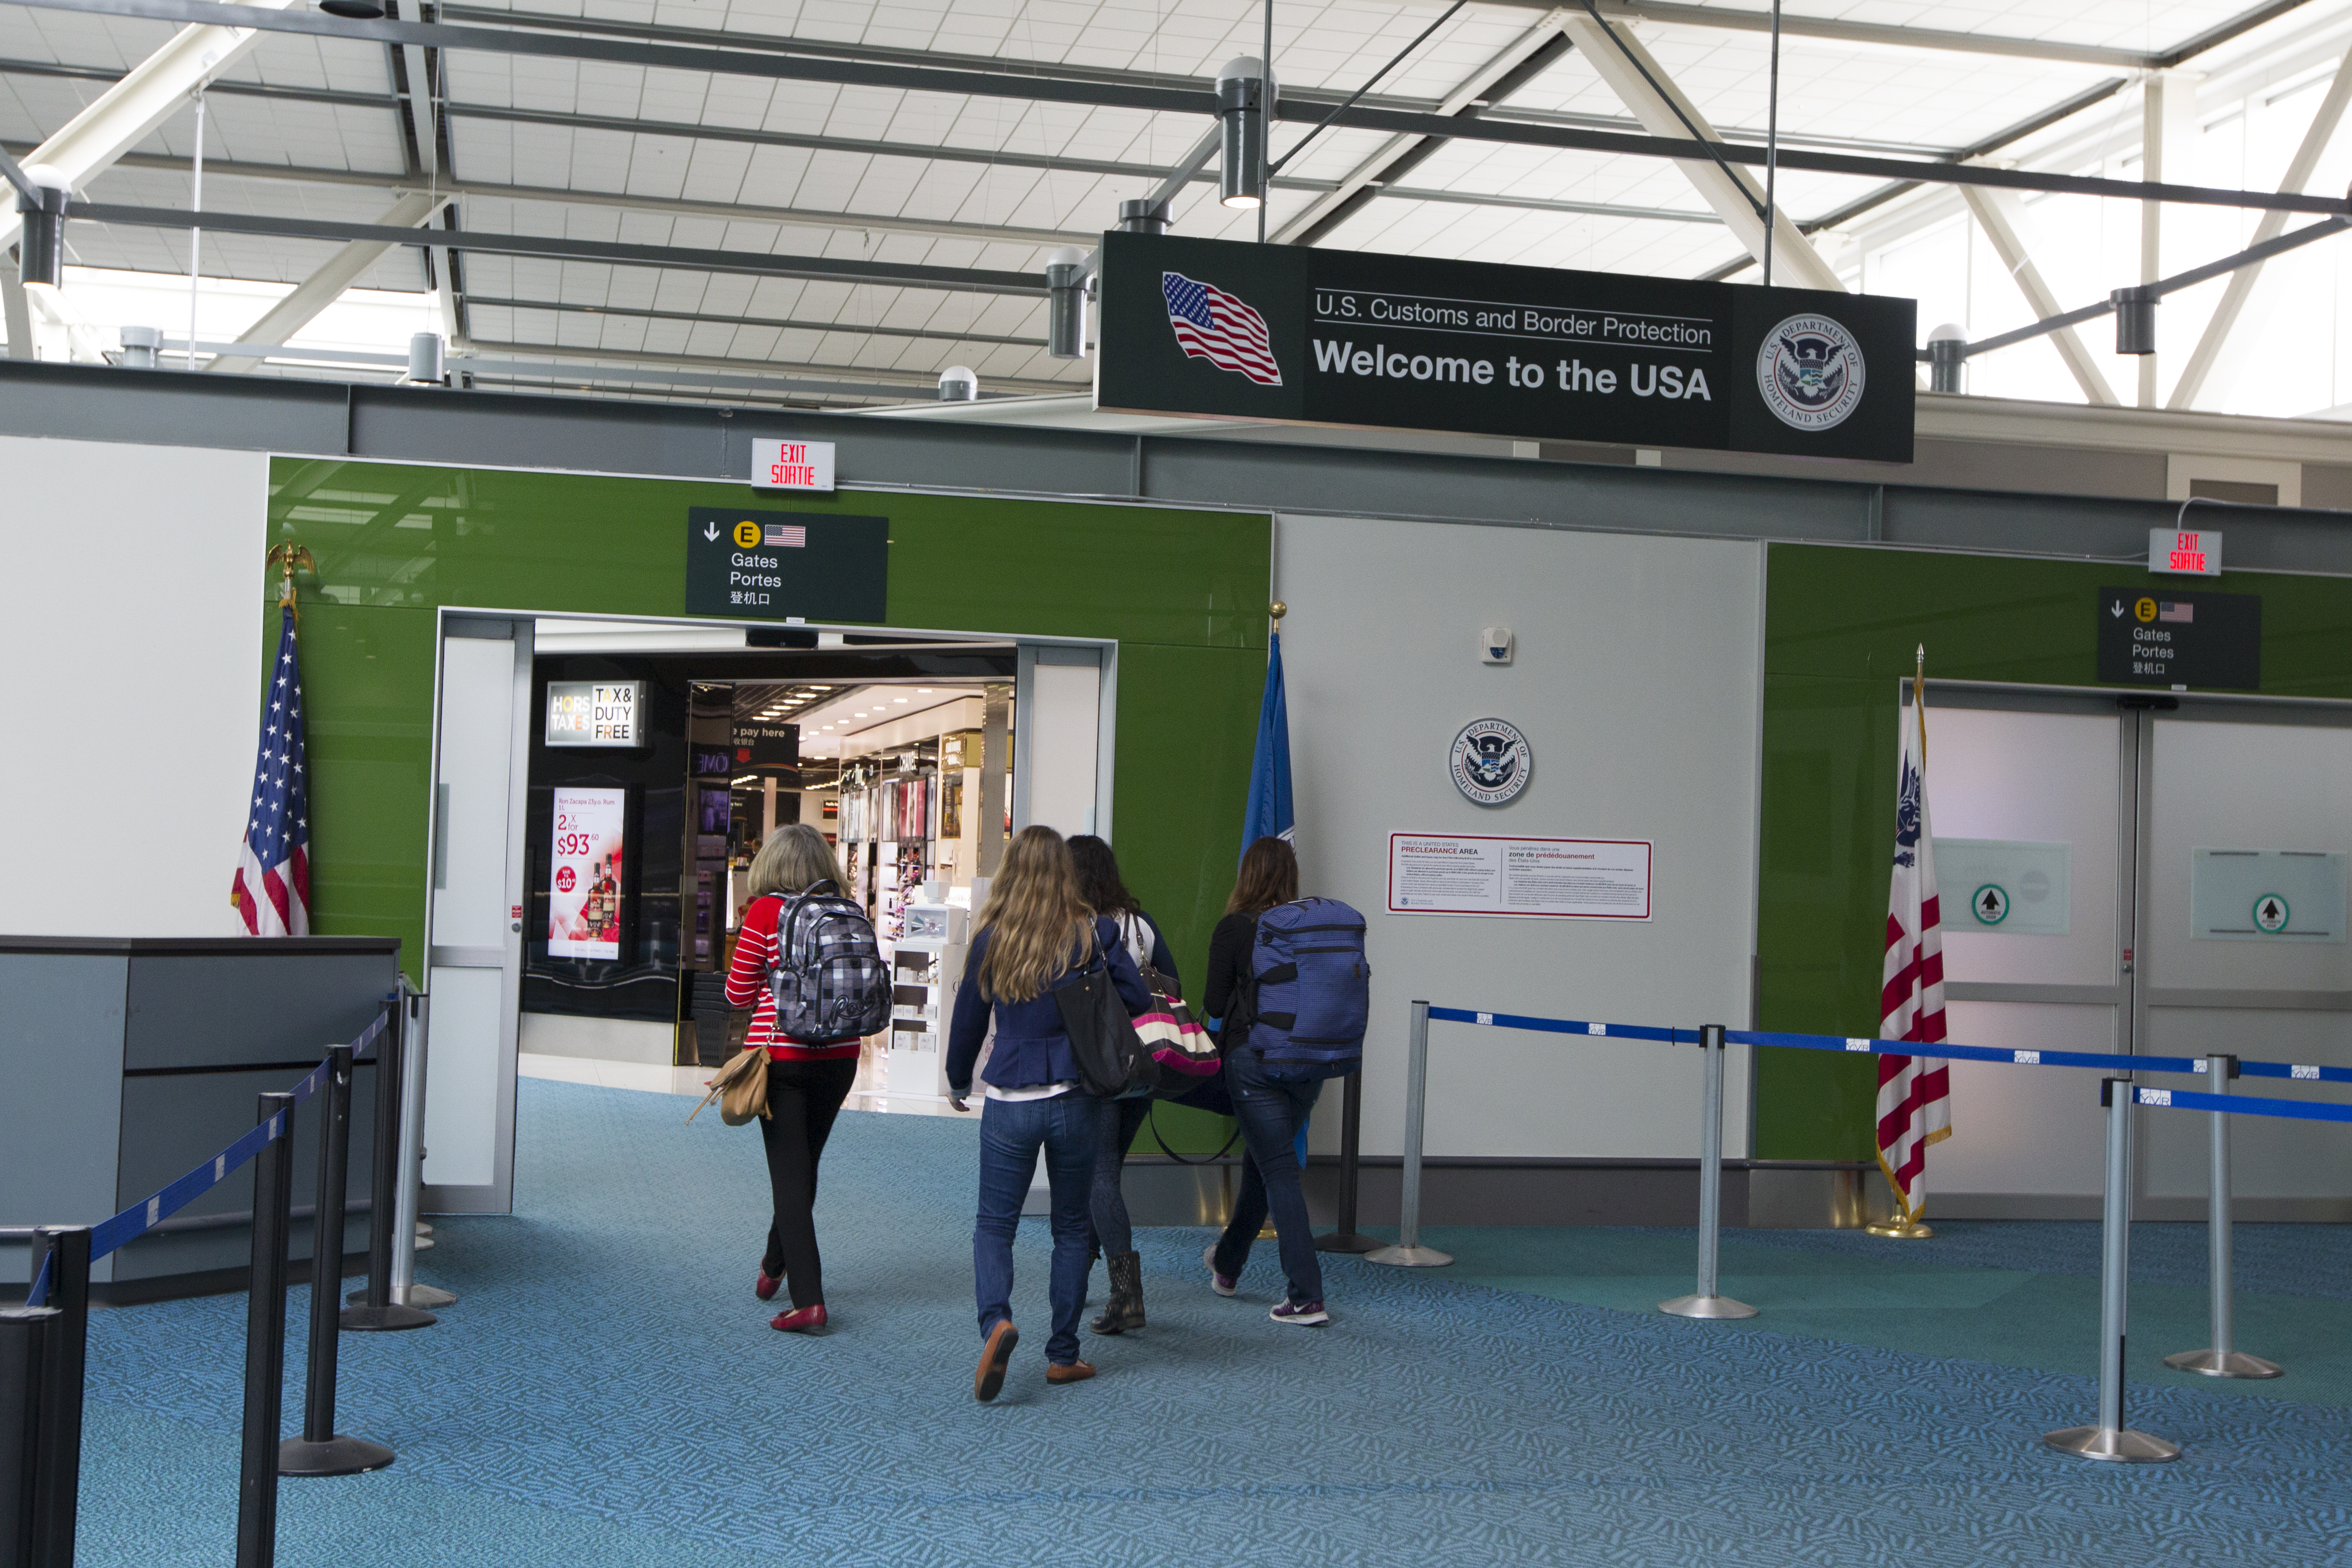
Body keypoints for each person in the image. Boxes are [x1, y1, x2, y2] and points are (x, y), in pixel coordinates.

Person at [946, 826, 1151, 1401]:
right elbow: (1136, 999)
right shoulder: (1093, 933)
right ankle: (1063, 1355)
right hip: (1074, 1100)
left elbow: (968, 1021)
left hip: (1010, 1101)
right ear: (1065, 873)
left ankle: (997, 1325)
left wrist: (959, 1080)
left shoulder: (993, 938)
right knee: (1068, 1228)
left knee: (994, 1226)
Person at [723, 823, 865, 1335]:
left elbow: (738, 996)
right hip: (843, 1056)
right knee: (803, 1166)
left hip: (783, 1060)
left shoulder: (765, 912)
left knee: (789, 1174)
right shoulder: (846, 911)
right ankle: (774, 1264)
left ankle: (808, 1301)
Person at [1201, 835, 1330, 1326]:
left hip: (1254, 1061)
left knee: (1275, 1170)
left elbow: (1214, 1005)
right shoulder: (1311, 929)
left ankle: (1306, 1296)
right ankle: (1228, 1266)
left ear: (1246, 876)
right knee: (1264, 1161)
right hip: (1311, 1062)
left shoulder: (1235, 928)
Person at [1065, 833, 1180, 1337]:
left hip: (1098, 1068)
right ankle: (1086, 1268)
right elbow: (1174, 985)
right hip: (1145, 1067)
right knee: (1107, 1169)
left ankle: (1126, 1296)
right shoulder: (1140, 924)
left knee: (1100, 1177)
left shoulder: (1079, 928)